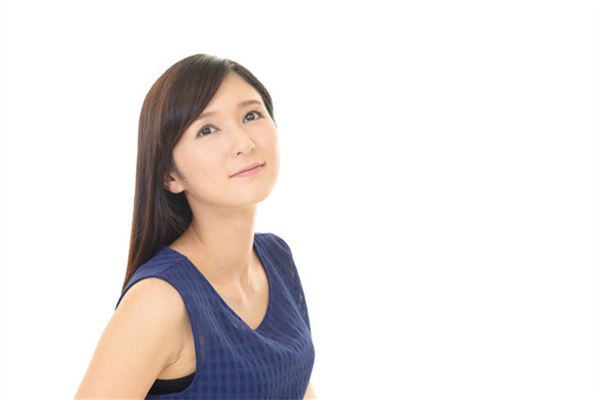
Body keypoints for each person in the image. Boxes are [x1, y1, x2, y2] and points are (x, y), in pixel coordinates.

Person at [75, 53, 317, 399]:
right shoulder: (161, 300)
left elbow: (294, 385)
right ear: (169, 175)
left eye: (251, 115)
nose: (244, 143)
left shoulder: (277, 258)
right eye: (207, 130)